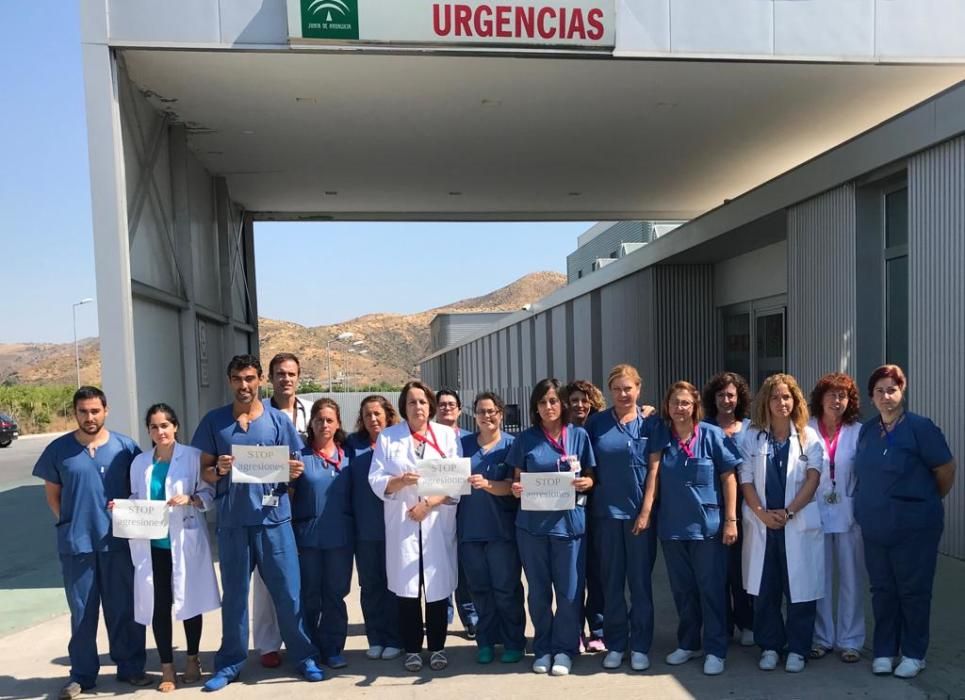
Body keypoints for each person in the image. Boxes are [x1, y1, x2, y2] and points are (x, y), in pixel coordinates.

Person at [192, 354, 323, 690]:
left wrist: (293, 473)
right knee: (235, 598)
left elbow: (294, 467)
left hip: (274, 521)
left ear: (260, 379)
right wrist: (218, 469)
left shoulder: (278, 421)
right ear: (229, 381)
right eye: (237, 378)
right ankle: (230, 663)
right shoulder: (214, 422)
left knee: (289, 595)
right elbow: (204, 472)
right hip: (234, 522)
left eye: (250, 378)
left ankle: (304, 656)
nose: (244, 385)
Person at [33, 386, 148, 700]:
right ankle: (82, 675)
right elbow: (52, 494)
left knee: (123, 607)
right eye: (83, 411)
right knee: (82, 612)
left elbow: (139, 489)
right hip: (77, 545)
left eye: (95, 410)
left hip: (119, 543)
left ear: (106, 410)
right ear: (75, 413)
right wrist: (71, 523)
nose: (89, 417)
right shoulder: (59, 450)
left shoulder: (126, 447)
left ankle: (131, 667)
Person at [854, 364, 956, 679]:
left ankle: (914, 653)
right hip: (875, 526)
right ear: (872, 397)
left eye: (892, 389)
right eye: (880, 390)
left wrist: (922, 501)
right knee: (882, 590)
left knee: (913, 590)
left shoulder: (921, 428)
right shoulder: (868, 431)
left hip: (915, 527)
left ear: (903, 390)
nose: (887, 396)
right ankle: (885, 650)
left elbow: (945, 471)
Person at [127, 403, 220, 692]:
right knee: (159, 605)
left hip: (184, 540)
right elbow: (135, 495)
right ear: (148, 431)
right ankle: (167, 667)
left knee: (189, 600)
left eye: (165, 425)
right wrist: (123, 508)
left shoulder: (192, 457)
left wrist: (191, 499)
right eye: (154, 427)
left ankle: (193, 659)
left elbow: (209, 493)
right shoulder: (140, 462)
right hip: (153, 545)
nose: (160, 431)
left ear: (175, 426)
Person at [369, 380, 460, 672]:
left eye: (422, 401)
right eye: (411, 402)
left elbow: (455, 479)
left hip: (435, 521)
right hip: (403, 524)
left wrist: (428, 504)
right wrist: (400, 482)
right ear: (403, 407)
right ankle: (411, 649)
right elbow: (376, 478)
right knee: (407, 591)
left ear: (430, 405)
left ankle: (436, 648)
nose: (418, 407)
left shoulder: (446, 436)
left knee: (436, 588)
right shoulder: (388, 437)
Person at [737, 373, 824, 674]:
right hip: (763, 525)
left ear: (795, 401)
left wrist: (788, 512)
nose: (781, 402)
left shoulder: (808, 436)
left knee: (800, 591)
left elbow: (813, 478)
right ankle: (770, 646)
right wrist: (761, 513)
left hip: (795, 522)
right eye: (775, 397)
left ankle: (798, 648)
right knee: (765, 589)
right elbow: (745, 478)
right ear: (766, 401)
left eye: (787, 397)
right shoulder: (752, 436)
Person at [652, 381, 740, 676]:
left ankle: (715, 649)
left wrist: (730, 520)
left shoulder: (712, 435)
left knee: (711, 589)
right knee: (683, 591)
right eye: (675, 402)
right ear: (668, 406)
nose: (680, 408)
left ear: (695, 406)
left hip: (708, 529)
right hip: (673, 528)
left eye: (686, 403)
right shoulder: (661, 436)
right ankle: (688, 643)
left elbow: (729, 477)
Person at [509, 378, 596, 676]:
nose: (549, 407)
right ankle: (543, 648)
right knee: (539, 593)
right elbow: (516, 480)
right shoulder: (525, 439)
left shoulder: (579, 436)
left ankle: (565, 649)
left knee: (570, 592)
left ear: (562, 404)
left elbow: (589, 476)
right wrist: (517, 489)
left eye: (554, 401)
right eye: (543, 402)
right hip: (532, 528)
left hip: (569, 527)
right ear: (536, 406)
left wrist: (588, 482)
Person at [584, 365, 659, 672]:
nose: (623, 394)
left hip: (640, 517)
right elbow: (586, 465)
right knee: (611, 582)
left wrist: (646, 511)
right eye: (617, 389)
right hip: (606, 515)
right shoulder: (596, 424)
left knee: (640, 583)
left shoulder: (650, 423)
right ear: (610, 391)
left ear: (638, 389)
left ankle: (640, 645)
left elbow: (654, 468)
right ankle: (616, 643)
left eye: (628, 388)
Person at [458, 392, 526, 664]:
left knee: (506, 590)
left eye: (492, 411)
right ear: (474, 415)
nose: (487, 416)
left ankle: (514, 642)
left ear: (501, 414)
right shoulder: (462, 446)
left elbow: (513, 487)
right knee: (480, 592)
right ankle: (485, 642)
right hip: (470, 531)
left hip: (501, 533)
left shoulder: (513, 445)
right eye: (481, 411)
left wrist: (487, 484)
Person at [253, 353, 311, 668]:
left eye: (290, 373)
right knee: (266, 578)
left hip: (308, 501)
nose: (285, 379)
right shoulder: (257, 413)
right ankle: (267, 644)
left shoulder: (311, 412)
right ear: (269, 378)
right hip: (270, 503)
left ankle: (303, 638)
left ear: (298, 377)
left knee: (302, 577)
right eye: (279, 373)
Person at [291, 398, 354, 670]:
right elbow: (287, 497)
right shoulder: (299, 459)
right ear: (311, 424)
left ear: (338, 423)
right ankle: (309, 651)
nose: (324, 424)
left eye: (330, 420)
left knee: (335, 596)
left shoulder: (349, 458)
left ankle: (333, 649)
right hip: (308, 540)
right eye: (319, 420)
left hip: (340, 539)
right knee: (309, 596)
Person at [807, 373, 865, 663]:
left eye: (843, 395)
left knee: (851, 577)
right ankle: (821, 637)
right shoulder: (805, 429)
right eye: (831, 394)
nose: (837, 400)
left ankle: (850, 640)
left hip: (848, 513)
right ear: (820, 398)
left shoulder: (858, 431)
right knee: (820, 576)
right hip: (814, 511)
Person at [345, 395, 403, 661]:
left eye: (378, 413)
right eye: (367, 415)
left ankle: (395, 638)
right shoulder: (352, 445)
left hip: (396, 527)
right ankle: (375, 637)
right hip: (365, 530)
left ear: (388, 414)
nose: (373, 419)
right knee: (370, 587)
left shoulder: (398, 442)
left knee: (395, 586)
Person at [701, 372, 755, 647]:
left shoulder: (751, 428)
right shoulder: (702, 427)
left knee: (741, 570)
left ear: (739, 398)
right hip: (711, 509)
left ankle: (747, 621)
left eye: (731, 395)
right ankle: (722, 624)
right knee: (716, 572)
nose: (726, 400)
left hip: (746, 509)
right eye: (721, 395)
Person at [562, 379, 607, 652]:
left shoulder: (601, 427)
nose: (580, 404)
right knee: (573, 576)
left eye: (585, 399)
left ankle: (598, 630)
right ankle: (575, 630)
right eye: (574, 400)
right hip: (568, 512)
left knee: (598, 574)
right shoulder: (562, 432)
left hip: (599, 511)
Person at [435, 388, 479, 639]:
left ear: (460, 410)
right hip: (436, 511)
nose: (446, 408)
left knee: (464, 567)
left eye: (451, 404)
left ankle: (470, 615)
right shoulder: (426, 438)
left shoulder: (468, 440)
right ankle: (443, 614)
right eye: (441, 404)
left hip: (465, 511)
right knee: (439, 564)